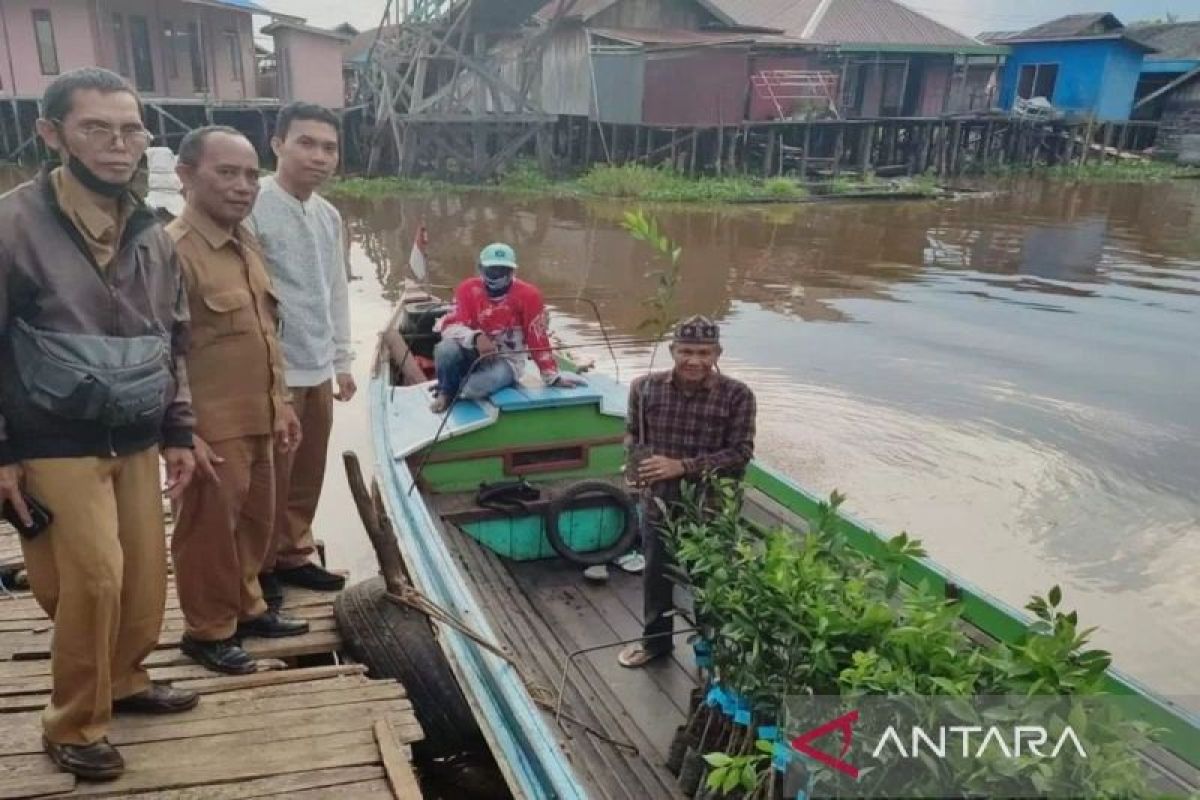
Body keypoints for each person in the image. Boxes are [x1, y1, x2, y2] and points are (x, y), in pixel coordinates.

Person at [0, 68, 198, 780]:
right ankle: (72, 722)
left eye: (131, 130)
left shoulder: (153, 231)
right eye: (96, 129)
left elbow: (173, 338)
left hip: (138, 435)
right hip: (52, 436)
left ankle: (126, 680)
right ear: (51, 134)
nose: (118, 146)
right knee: (93, 581)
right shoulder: (12, 224)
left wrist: (179, 431)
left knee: (145, 581)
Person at [168, 126, 309, 675]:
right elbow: (161, 352)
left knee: (255, 523)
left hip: (261, 416)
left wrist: (283, 404)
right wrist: (182, 433)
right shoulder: (173, 251)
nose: (243, 186)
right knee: (207, 533)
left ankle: (248, 609)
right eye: (226, 173)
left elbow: (265, 333)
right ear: (185, 176)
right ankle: (207, 631)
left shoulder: (245, 241)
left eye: (251, 174)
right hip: (210, 424)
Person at [249, 102, 353, 605]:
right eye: (306, 143)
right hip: (275, 369)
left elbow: (335, 290)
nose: (319, 156)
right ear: (277, 145)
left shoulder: (328, 214)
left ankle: (293, 553)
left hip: (317, 365)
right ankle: (261, 565)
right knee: (271, 473)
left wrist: (344, 361)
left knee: (309, 468)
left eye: (329, 147)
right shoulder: (252, 206)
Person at [617, 316, 756, 668]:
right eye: (686, 351)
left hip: (710, 506)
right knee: (656, 574)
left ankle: (711, 653)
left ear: (717, 353)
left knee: (709, 580)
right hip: (659, 501)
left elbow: (740, 455)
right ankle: (655, 643)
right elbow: (633, 433)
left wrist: (683, 466)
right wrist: (635, 468)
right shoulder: (643, 388)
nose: (694, 360)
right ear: (672, 350)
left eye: (703, 352)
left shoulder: (737, 395)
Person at [431, 242, 584, 412]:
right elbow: (449, 327)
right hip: (471, 352)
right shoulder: (468, 289)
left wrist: (552, 376)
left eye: (502, 270)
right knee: (445, 349)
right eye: (491, 269)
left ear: (512, 271)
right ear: (480, 268)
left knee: (472, 388)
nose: (496, 275)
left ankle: (456, 385)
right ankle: (445, 392)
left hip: (507, 359)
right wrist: (476, 337)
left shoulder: (529, 295)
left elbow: (537, 336)